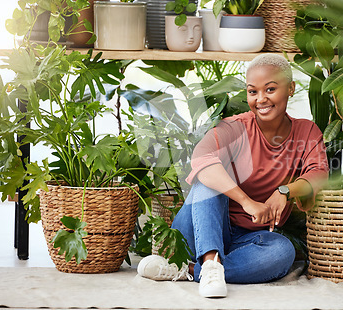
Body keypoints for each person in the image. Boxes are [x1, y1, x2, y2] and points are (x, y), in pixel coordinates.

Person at [137, 54, 329, 298]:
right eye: (252, 91)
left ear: (290, 88)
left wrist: (285, 191)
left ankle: (189, 270)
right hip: (200, 228)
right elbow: (201, 159)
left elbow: (319, 173)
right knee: (207, 181)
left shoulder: (306, 131)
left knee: (283, 253)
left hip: (249, 242)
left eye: (270, 89)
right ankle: (210, 261)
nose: (261, 99)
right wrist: (246, 202)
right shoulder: (235, 127)